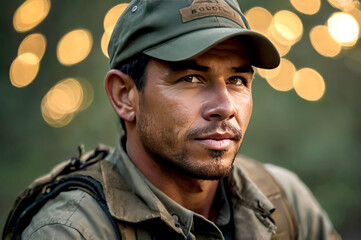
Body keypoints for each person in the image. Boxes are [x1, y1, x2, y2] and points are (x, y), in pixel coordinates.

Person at [8, 0, 339, 239]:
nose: (225, 106)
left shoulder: (285, 199)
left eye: (237, 80)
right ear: (125, 95)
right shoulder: (72, 230)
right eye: (192, 78)